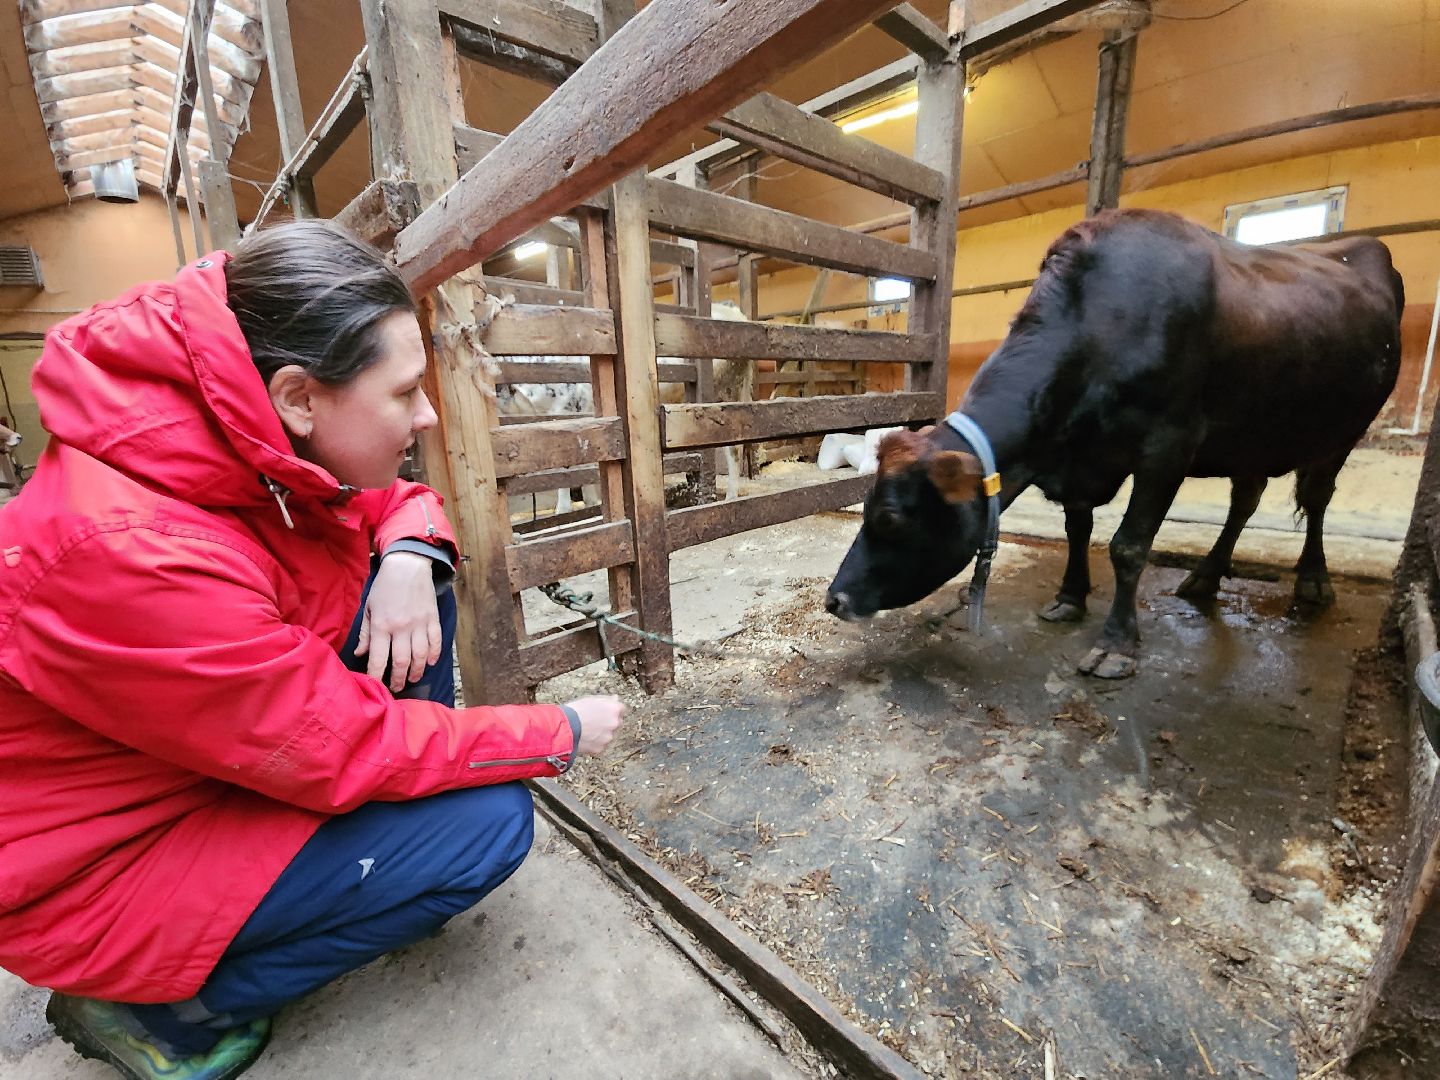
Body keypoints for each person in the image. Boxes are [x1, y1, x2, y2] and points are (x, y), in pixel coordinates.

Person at [0, 220, 625, 1080]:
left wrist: (411, 550)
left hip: (192, 767)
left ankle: (363, 859)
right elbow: (343, 747)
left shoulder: (233, 444)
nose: (428, 414)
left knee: (417, 587)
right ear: (298, 397)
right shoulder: (132, 550)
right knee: (486, 828)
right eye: (404, 394)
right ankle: (161, 1007)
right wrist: (553, 729)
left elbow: (383, 498)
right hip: (103, 866)